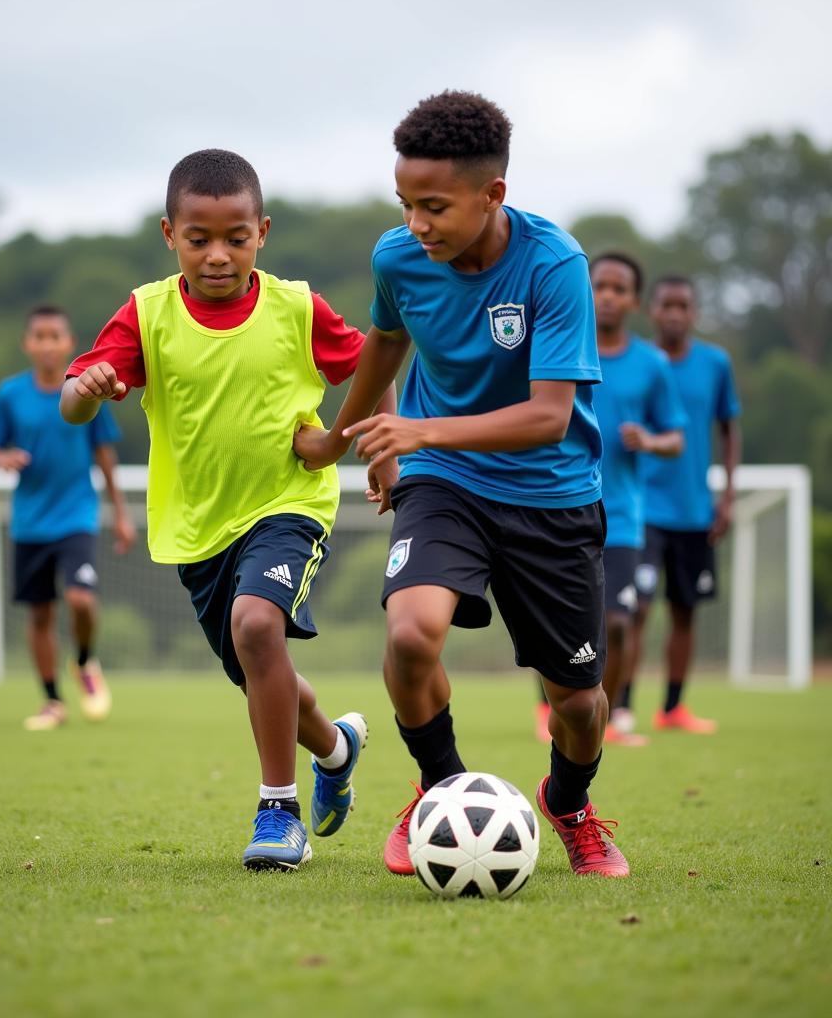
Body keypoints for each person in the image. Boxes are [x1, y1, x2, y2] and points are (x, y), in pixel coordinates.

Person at [296, 90, 628, 878]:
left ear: (493, 195)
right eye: (406, 204)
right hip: (444, 482)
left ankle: (572, 805)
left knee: (578, 705)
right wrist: (348, 440)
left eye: (435, 207)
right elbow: (384, 339)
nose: (417, 224)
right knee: (411, 636)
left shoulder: (555, 266)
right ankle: (442, 794)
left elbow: (549, 416)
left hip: (551, 494)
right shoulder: (398, 257)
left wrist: (416, 430)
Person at [60, 149, 391, 870]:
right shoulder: (146, 312)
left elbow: (373, 367)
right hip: (199, 528)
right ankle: (336, 749)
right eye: (198, 238)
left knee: (256, 624)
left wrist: (381, 453)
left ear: (262, 232)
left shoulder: (296, 306)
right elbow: (73, 404)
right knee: (256, 663)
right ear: (168, 234)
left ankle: (279, 813)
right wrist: (87, 389)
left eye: (235, 237)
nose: (217, 254)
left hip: (288, 504)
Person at [0, 305, 135, 731]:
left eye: (56, 336)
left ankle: (84, 661)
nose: (48, 345)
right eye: (39, 336)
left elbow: (105, 454)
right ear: (27, 344)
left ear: (69, 343)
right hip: (29, 521)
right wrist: (4, 457)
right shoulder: (10, 394)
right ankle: (52, 701)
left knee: (81, 599)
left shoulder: (85, 391)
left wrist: (120, 515)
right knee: (40, 615)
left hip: (76, 516)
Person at [562, 253, 685, 746]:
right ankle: (553, 712)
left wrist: (651, 441)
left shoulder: (652, 364)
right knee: (561, 622)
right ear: (586, 290)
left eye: (619, 288)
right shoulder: (564, 344)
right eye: (600, 286)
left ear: (635, 300)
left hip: (624, 517)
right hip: (562, 505)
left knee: (617, 622)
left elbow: (676, 436)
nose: (608, 296)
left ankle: (604, 721)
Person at [626, 275, 740, 733]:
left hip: (695, 509)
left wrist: (727, 496)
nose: (674, 313)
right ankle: (622, 707)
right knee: (636, 607)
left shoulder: (716, 364)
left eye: (683, 306)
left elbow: (729, 429)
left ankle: (672, 707)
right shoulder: (639, 363)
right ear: (652, 310)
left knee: (685, 610)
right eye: (666, 305)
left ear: (694, 312)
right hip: (643, 509)